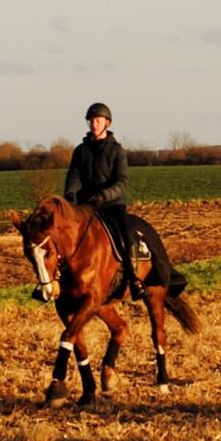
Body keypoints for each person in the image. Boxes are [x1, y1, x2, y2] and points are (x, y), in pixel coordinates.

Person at [64, 102, 145, 300]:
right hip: (86, 206)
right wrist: (70, 195)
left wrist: (104, 195)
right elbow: (73, 176)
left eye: (98, 121)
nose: (94, 124)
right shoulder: (80, 151)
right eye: (91, 121)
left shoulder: (117, 151)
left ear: (107, 123)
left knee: (127, 234)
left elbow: (122, 181)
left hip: (112, 203)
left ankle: (134, 279)